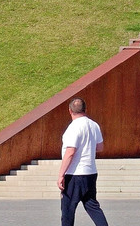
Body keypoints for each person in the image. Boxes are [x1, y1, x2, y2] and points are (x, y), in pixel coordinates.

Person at [57, 97, 109, 226]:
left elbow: (70, 152)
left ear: (70, 111)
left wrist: (61, 175)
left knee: (68, 210)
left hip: (74, 174)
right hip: (90, 172)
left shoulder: (73, 127)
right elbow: (100, 147)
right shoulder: (93, 125)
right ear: (86, 109)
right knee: (93, 207)